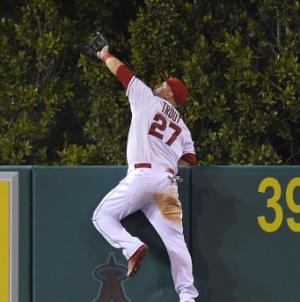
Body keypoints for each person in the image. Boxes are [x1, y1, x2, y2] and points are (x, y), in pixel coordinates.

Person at [74, 32, 199, 302]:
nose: (159, 83)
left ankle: (131, 247)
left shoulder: (147, 99)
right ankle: (188, 297)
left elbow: (122, 72)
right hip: (167, 184)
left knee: (102, 217)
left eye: (163, 83)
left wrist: (104, 53)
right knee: (177, 244)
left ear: (169, 92)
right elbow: (190, 160)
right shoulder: (185, 129)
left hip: (142, 176)